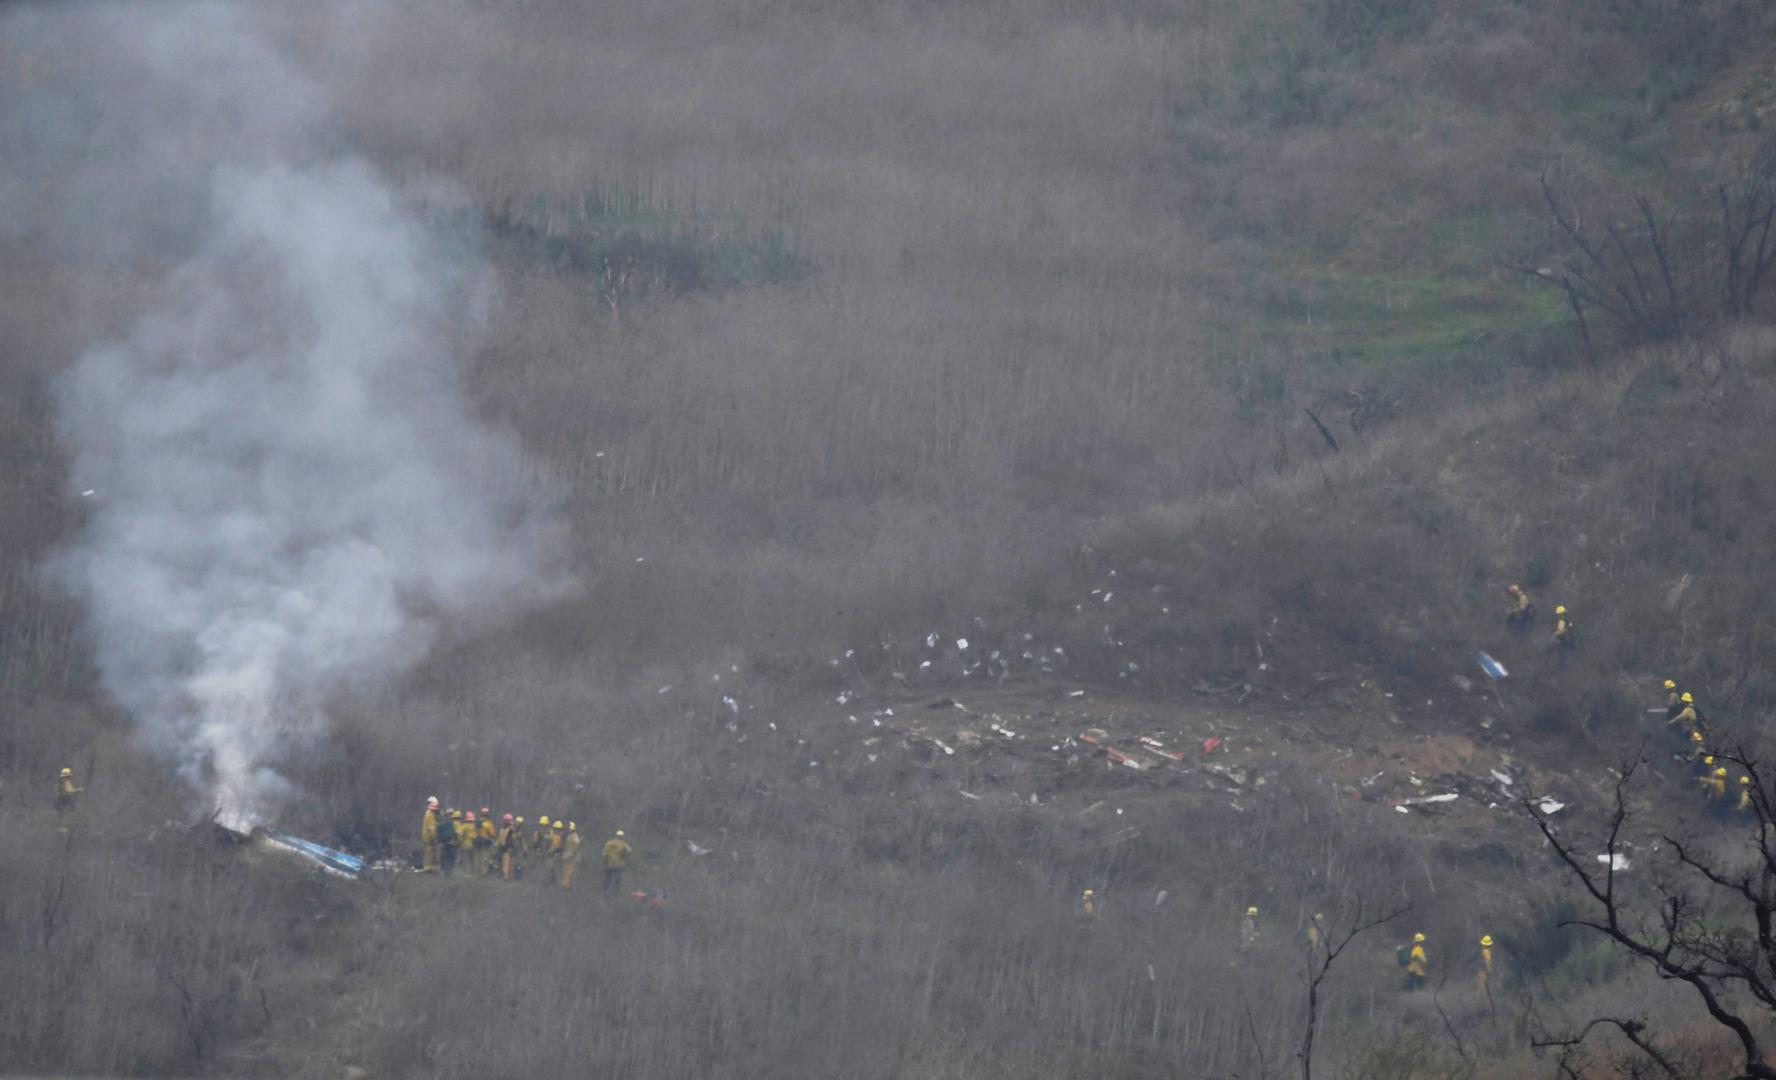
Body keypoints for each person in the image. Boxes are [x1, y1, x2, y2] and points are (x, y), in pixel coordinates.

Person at [603, 829, 632, 894]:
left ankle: (606, 891)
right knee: (617, 880)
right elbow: (629, 851)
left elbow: (605, 854)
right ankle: (615, 892)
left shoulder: (609, 843)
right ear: (622, 837)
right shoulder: (624, 844)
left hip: (609, 864)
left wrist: (605, 863)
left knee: (608, 878)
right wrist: (624, 858)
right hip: (619, 865)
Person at [497, 814, 522, 881]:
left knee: (507, 863)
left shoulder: (509, 830)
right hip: (506, 848)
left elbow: (510, 839)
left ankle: (508, 877)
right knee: (508, 863)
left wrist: (509, 847)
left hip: (507, 848)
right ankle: (509, 877)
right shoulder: (505, 829)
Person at [421, 797, 442, 872]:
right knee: (431, 854)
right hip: (430, 838)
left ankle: (429, 868)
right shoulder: (431, 815)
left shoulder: (427, 813)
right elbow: (431, 828)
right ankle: (429, 869)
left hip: (427, 837)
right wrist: (434, 838)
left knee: (429, 854)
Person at [560, 822, 582, 890]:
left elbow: (576, 844)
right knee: (566, 871)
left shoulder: (574, 836)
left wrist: (570, 853)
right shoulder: (570, 836)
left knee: (569, 872)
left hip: (572, 858)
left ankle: (567, 886)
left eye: (569, 828)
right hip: (569, 857)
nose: (568, 830)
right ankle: (565, 885)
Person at [439, 809, 461, 875]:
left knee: (448, 858)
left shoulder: (445, 823)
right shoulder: (453, 824)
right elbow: (458, 834)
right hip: (451, 844)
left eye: (451, 814)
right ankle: (449, 872)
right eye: (449, 814)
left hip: (448, 844)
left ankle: (448, 872)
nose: (450, 816)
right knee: (450, 858)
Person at [476, 810, 497, 876]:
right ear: (488, 815)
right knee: (485, 858)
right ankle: (483, 873)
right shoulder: (488, 823)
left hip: (477, 841)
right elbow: (492, 834)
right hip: (485, 843)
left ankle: (476, 872)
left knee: (477, 857)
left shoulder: (477, 822)